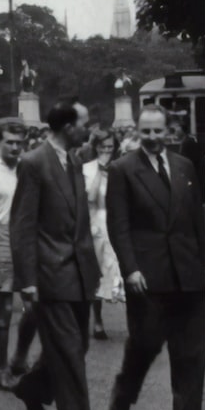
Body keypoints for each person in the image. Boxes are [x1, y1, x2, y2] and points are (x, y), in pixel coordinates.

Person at [106, 105, 205, 410]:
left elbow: (197, 221)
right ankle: (124, 392)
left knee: (192, 352)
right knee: (146, 343)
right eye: (145, 131)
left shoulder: (184, 167)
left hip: (189, 274)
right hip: (147, 276)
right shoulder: (122, 169)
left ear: (169, 131)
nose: (151, 138)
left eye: (157, 131)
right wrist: (130, 268)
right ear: (138, 131)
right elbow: (118, 225)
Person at [9, 101, 100, 410]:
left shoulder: (73, 161)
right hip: (50, 274)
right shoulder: (34, 163)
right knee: (69, 355)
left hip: (79, 273)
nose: (87, 130)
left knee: (78, 346)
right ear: (66, 127)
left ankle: (31, 387)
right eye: (84, 124)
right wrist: (27, 279)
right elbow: (23, 224)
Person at [0, 117, 27, 390]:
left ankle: (20, 358)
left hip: (26, 238)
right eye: (9, 142)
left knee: (35, 306)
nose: (14, 147)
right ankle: (2, 369)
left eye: (19, 143)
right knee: (5, 308)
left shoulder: (28, 167)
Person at [83, 128, 124, 340]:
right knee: (99, 273)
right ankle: (97, 321)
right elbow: (90, 198)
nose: (107, 150)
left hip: (118, 222)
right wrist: (100, 171)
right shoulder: (87, 169)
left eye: (110, 147)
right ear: (95, 147)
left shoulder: (121, 167)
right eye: (102, 147)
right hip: (97, 223)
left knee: (124, 271)